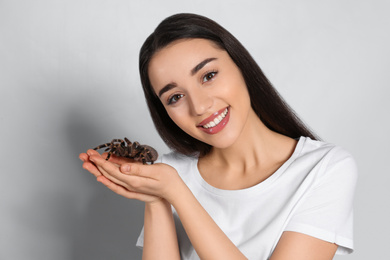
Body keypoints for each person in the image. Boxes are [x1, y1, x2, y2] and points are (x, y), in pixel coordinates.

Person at [79, 13, 357, 260]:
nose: (199, 107)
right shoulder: (169, 173)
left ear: (241, 67)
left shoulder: (324, 169)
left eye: (208, 75)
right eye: (175, 97)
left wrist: (178, 193)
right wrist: (156, 200)